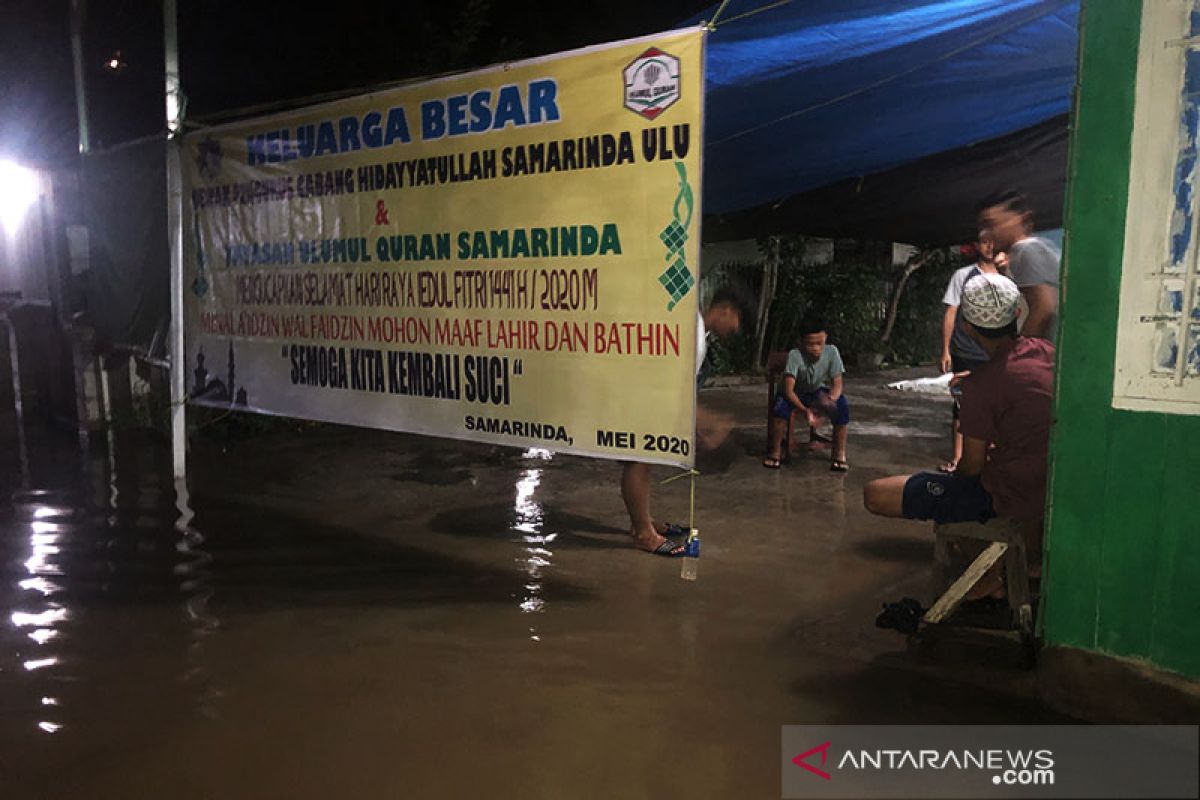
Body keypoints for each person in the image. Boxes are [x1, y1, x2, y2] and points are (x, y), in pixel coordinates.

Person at [863, 273, 1054, 593]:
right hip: (1048, 484)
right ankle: (991, 564)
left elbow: (971, 468)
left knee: (876, 493)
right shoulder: (1047, 353)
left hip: (1010, 496)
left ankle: (987, 577)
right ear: (1017, 314)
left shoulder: (981, 387)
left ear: (966, 327)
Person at [622, 286, 751, 556]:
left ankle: (643, 522)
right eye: (738, 321)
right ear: (726, 311)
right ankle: (643, 533)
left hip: (647, 396)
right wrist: (708, 423)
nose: (735, 330)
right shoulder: (692, 330)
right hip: (643, 397)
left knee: (646, 460)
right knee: (639, 459)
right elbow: (675, 388)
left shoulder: (695, 328)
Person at [938, 230, 1002, 472]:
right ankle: (958, 458)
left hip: (995, 352)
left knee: (996, 404)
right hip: (965, 350)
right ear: (977, 245)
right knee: (963, 405)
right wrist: (945, 350)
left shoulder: (1008, 275)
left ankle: (990, 457)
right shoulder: (962, 276)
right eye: (985, 242)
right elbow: (950, 312)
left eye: (994, 242)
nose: (990, 247)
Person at [763, 319, 850, 472]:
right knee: (779, 409)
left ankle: (839, 454)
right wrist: (805, 411)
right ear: (801, 343)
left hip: (817, 390)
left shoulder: (832, 352)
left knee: (842, 406)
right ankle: (775, 452)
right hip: (794, 393)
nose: (816, 349)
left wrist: (830, 401)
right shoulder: (795, 355)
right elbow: (789, 391)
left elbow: (837, 384)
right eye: (811, 344)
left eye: (820, 344)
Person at [977, 191, 1061, 342]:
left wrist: (1019, 355)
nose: (986, 233)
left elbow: (1044, 307)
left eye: (991, 224)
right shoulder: (1036, 247)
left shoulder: (1024, 250)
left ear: (1022, 218)